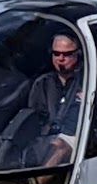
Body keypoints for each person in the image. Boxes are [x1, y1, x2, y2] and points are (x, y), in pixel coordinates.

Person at [23, 31, 84, 165]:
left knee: (61, 146)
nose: (60, 58)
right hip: (45, 138)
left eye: (67, 54)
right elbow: (35, 117)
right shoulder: (42, 83)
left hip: (76, 139)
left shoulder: (87, 82)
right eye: (56, 53)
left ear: (78, 54)